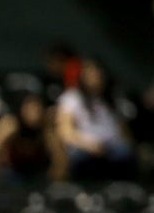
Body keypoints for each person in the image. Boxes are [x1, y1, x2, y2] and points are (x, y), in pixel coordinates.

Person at [54, 55, 138, 185]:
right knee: (80, 158)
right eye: (90, 73)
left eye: (98, 72)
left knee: (126, 153)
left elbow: (124, 132)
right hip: (84, 148)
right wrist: (89, 145)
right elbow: (66, 131)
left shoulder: (113, 98)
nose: (95, 76)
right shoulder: (72, 97)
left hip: (112, 149)